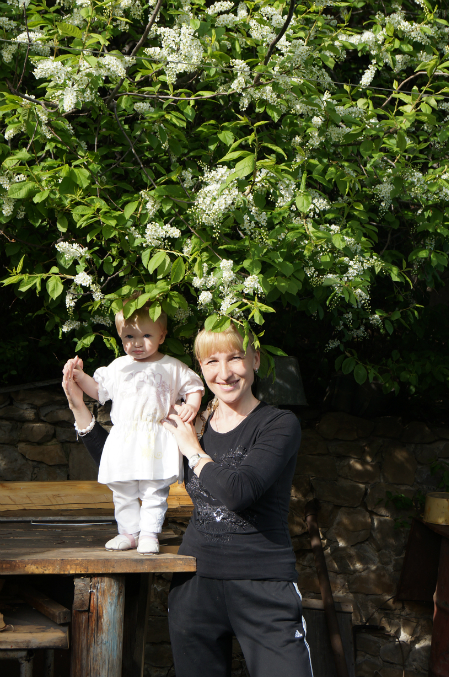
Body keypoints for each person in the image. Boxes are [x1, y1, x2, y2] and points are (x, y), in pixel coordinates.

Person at [62, 323, 313, 677]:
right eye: (211, 362)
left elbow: (239, 492)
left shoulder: (278, 424)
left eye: (235, 358)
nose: (224, 373)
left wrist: (193, 451)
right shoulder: (191, 422)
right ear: (200, 367)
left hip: (264, 586)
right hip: (195, 585)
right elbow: (122, 462)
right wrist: (79, 408)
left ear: (255, 360)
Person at [62, 301, 204, 555]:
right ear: (120, 336)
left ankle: (149, 533)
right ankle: (129, 532)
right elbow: (99, 391)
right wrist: (80, 377)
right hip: (124, 438)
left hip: (156, 435)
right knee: (122, 488)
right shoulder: (118, 366)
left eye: (146, 336)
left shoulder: (171, 366)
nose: (137, 343)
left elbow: (194, 386)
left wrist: (191, 406)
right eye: (129, 337)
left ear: (162, 336)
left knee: (154, 489)